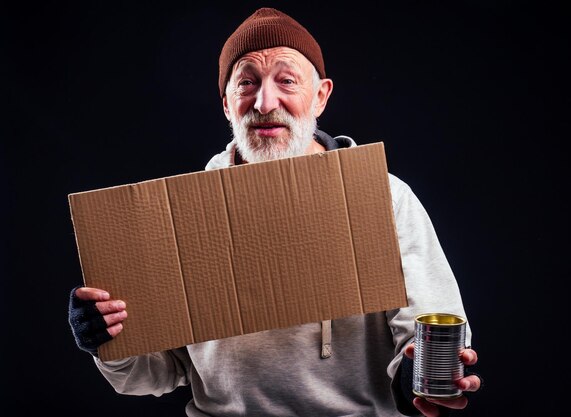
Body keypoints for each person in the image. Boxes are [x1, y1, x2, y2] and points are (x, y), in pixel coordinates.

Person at [68, 7, 482, 417]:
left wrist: (422, 381)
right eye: (247, 83)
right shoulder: (179, 215)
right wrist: (111, 341)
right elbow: (152, 376)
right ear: (228, 104)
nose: (265, 103)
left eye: (286, 81)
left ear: (320, 96)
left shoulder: (384, 196)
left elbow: (427, 327)